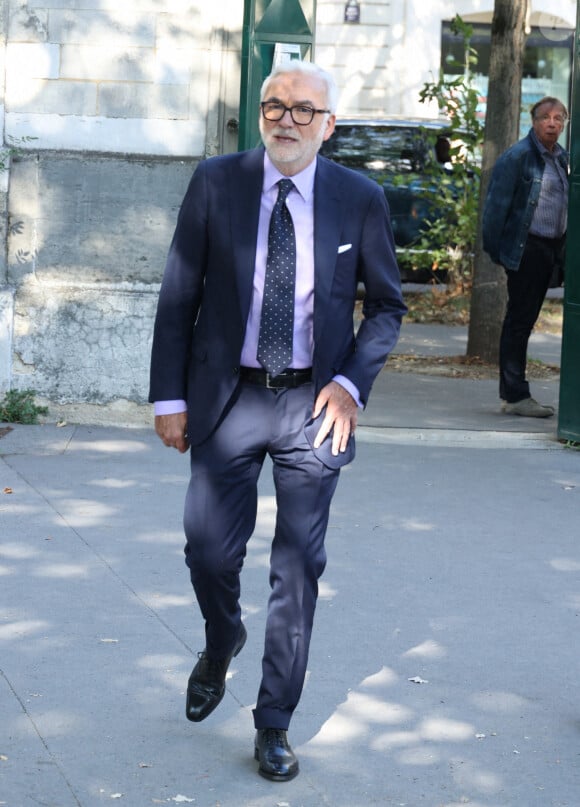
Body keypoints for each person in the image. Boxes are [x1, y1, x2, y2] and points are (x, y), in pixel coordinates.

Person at [149, 61, 406, 782]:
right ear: (257, 114)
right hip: (228, 396)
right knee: (206, 550)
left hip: (313, 404)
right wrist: (169, 398)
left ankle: (274, 721)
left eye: (302, 110)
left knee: (297, 567)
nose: (286, 119)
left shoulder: (359, 197)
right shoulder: (216, 182)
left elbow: (387, 306)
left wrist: (353, 384)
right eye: (273, 106)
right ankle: (222, 635)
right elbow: (179, 295)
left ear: (329, 124)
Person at [482, 96, 569, 418]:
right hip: (527, 249)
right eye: (546, 117)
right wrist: (501, 254)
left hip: (552, 250)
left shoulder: (561, 159)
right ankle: (515, 395)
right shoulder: (518, 158)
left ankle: (516, 392)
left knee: (527, 319)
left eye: (559, 118)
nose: (552, 123)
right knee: (519, 321)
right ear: (534, 121)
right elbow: (494, 212)